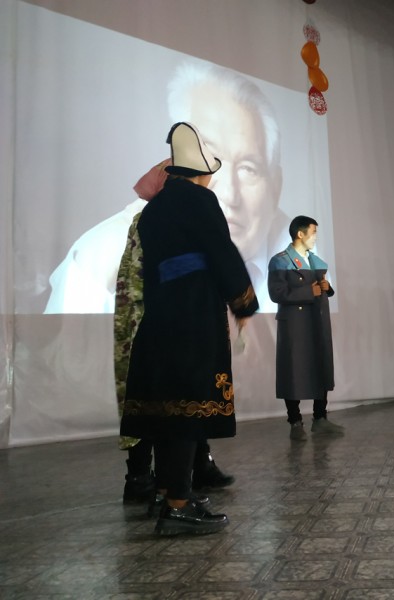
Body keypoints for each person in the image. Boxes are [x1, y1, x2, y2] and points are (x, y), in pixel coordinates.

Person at [45, 61, 287, 314]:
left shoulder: (299, 247)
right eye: (209, 161)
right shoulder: (101, 252)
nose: (229, 194)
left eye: (248, 169)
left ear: (275, 188)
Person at [120, 122, 259, 535]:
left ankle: (168, 492)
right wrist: (243, 301)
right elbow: (220, 250)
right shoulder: (200, 199)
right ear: (202, 173)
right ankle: (178, 506)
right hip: (194, 315)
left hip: (161, 315)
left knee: (166, 407)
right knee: (186, 406)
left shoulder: (152, 211)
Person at [115, 160, 234, 508]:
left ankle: (185, 477)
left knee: (182, 401)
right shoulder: (155, 218)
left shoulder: (162, 216)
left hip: (161, 318)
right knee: (164, 401)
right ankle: (143, 479)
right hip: (147, 321)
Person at [267, 216, 342, 440]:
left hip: (316, 321)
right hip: (295, 325)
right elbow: (276, 293)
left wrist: (327, 287)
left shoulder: (316, 261)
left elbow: (320, 288)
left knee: (321, 364)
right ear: (300, 234)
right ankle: (295, 422)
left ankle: (320, 418)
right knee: (293, 370)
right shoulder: (280, 261)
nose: (316, 237)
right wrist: (309, 292)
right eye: (313, 232)